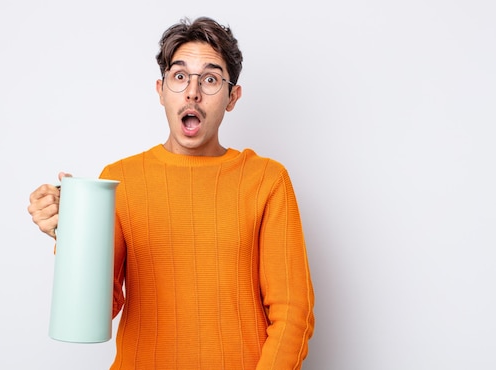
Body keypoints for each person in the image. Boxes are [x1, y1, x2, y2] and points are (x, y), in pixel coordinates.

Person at [28, 16, 315, 370]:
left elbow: (293, 313)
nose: (192, 91)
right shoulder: (119, 180)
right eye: (180, 77)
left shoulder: (267, 181)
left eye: (210, 79)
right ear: (161, 90)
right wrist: (71, 233)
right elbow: (99, 312)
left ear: (232, 97)